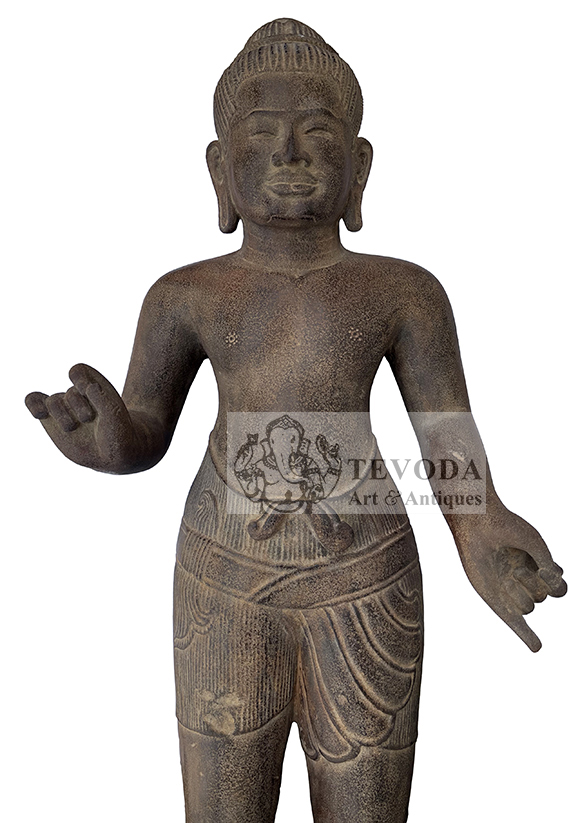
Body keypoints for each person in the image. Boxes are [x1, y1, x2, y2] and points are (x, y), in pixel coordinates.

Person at [25, 18, 566, 823]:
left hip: (367, 576)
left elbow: (444, 435)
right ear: (219, 170)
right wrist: (112, 442)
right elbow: (145, 426)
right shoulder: (185, 295)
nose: (288, 154)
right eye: (261, 134)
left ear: (360, 168)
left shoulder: (404, 293)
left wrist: (482, 527)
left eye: (317, 133)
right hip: (224, 575)